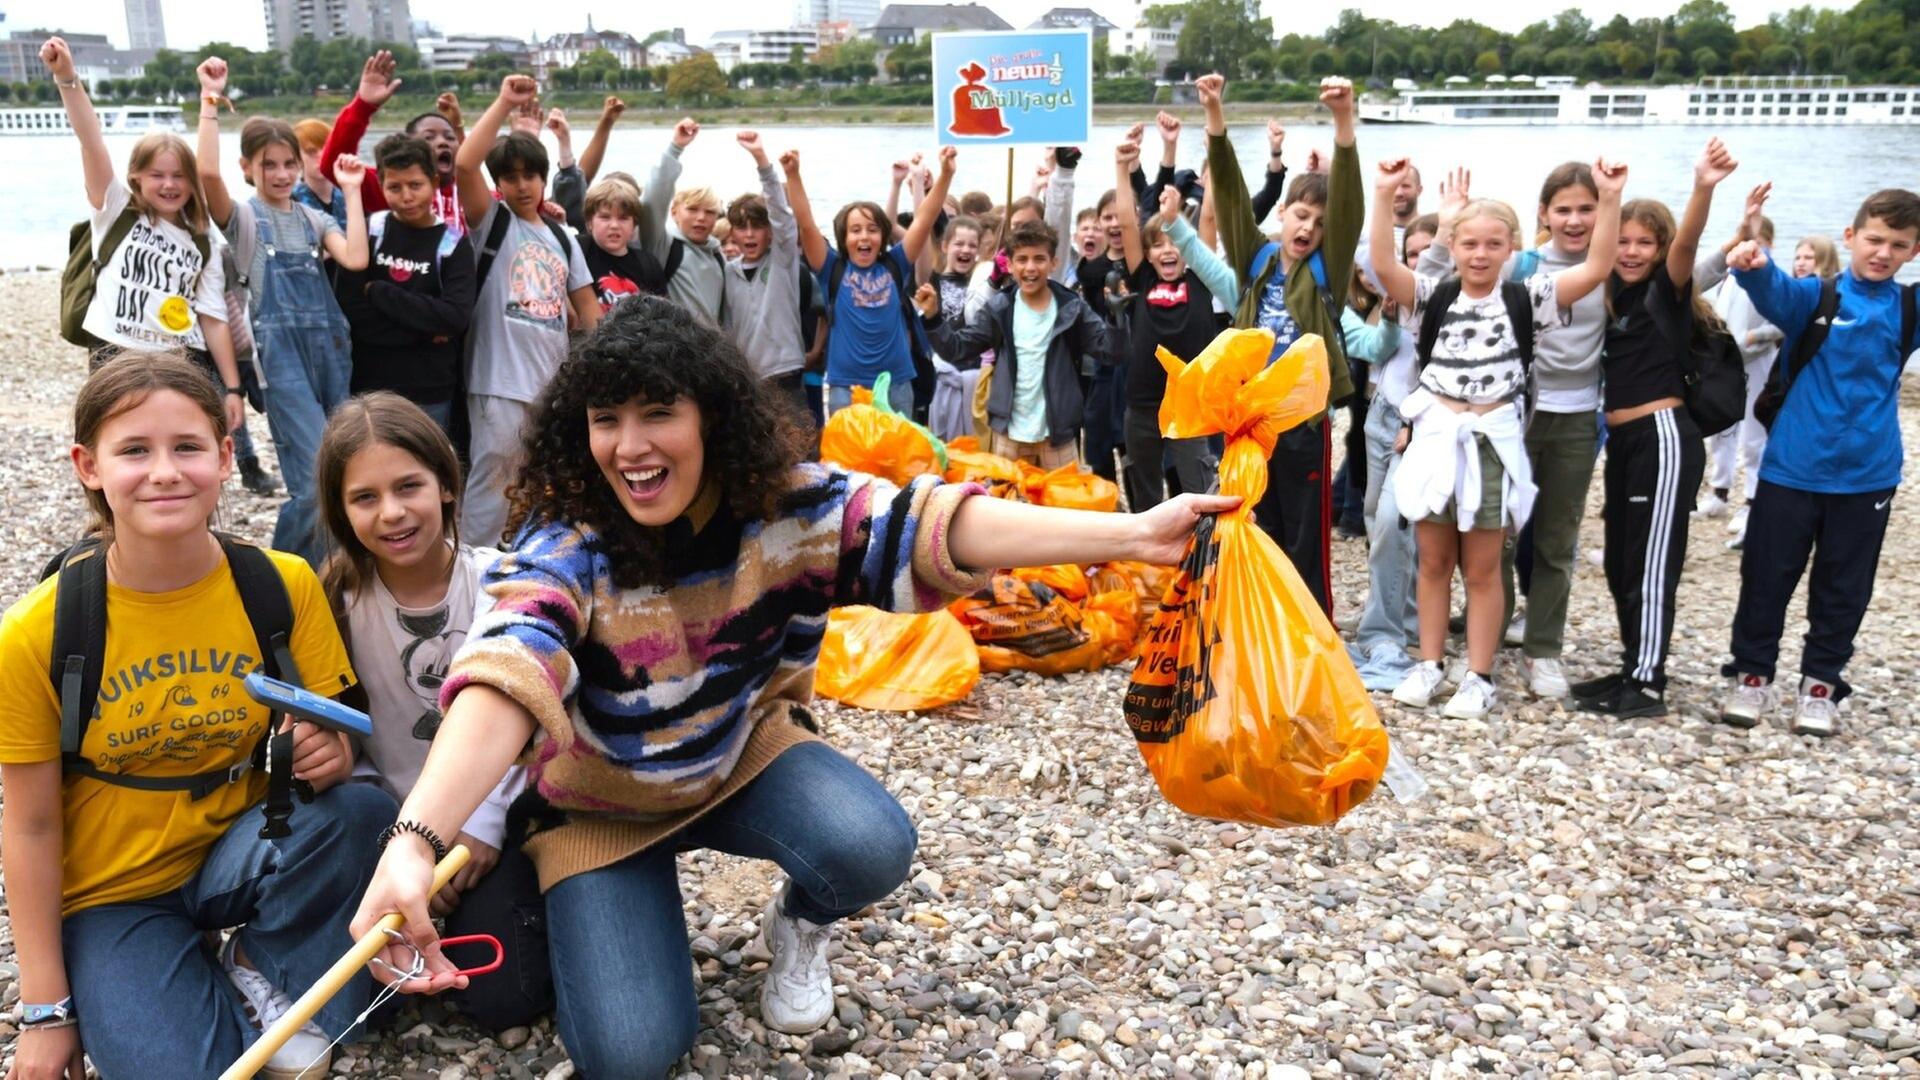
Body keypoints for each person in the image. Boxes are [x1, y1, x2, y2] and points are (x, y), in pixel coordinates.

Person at [344, 298, 1234, 1078]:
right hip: (599, 804)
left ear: (713, 415)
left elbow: (937, 524)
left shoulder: (788, 508)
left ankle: (798, 925)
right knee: (629, 1054)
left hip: (736, 755)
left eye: (659, 413)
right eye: (605, 418)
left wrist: (1132, 534)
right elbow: (508, 664)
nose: (630, 446)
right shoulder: (565, 540)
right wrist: (415, 841)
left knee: (868, 844)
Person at [0, 353, 394, 1080]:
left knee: (364, 810)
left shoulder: (282, 585)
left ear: (222, 455)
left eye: (186, 447)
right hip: (114, 895)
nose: (164, 472)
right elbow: (28, 824)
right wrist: (46, 1010)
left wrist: (328, 752)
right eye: (134, 451)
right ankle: (186, 984)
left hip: (247, 851)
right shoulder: (35, 634)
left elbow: (333, 737)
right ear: (88, 466)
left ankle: (257, 964)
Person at [312, 392, 548, 1030]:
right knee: (363, 1010)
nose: (391, 513)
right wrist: (398, 840)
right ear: (340, 510)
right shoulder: (333, 602)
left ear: (447, 483)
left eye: (409, 486)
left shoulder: (505, 582)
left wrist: (482, 825)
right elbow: (344, 740)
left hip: (489, 826)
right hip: (388, 833)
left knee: (504, 1001)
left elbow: (531, 716)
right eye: (364, 498)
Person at [1370, 157, 1625, 721]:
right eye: (1470, 244)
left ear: (1511, 247)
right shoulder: (1433, 294)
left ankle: (1480, 675)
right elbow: (1382, 264)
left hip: (1489, 440)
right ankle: (1430, 664)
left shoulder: (1527, 297)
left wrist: (1610, 198)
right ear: (1453, 246)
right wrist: (1385, 194)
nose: (1480, 255)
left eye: (1493, 245)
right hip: (1436, 437)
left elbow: (1599, 265)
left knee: (1483, 567)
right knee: (1432, 561)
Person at [1717, 188, 1920, 737]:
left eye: (1898, 245)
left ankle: (1821, 686)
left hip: (1868, 473)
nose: (1882, 252)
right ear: (1851, 238)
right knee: (1766, 578)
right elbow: (1772, 286)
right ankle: (1751, 677)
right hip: (1792, 468)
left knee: (1844, 586)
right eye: (1874, 239)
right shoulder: (1818, 297)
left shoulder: (1908, 307)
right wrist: (1753, 250)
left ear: (1913, 252)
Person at [1569, 139, 1738, 720]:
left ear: (1662, 249)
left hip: (1665, 437)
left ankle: (1648, 683)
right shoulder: (1608, 292)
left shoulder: (1667, 291)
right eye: (1622, 241)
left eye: (1645, 242)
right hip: (1625, 444)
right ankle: (1630, 666)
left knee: (1650, 563)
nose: (1632, 251)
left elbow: (1690, 242)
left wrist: (1704, 185)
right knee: (1620, 560)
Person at [197, 57, 371, 567]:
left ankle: (328, 577)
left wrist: (354, 193)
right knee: (313, 485)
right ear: (247, 167)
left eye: (288, 164)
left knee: (342, 473)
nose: (280, 174)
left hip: (332, 352)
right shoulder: (244, 220)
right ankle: (273, 576)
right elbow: (205, 172)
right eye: (268, 164)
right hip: (283, 360)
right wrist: (210, 98)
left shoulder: (314, 218)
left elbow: (356, 257)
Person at [1200, 72, 1362, 617]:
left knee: (1304, 538)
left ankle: (1311, 633)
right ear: (1281, 216)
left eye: (1318, 222)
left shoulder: (1325, 272)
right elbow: (1225, 192)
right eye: (1300, 215)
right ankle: (1254, 623)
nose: (1309, 227)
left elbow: (1348, 209)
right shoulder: (1257, 259)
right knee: (1250, 528)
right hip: (1249, 426)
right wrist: (1215, 115)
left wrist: (1344, 121)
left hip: (1301, 428)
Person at [39, 38, 248, 453]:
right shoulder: (115, 209)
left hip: (179, 356)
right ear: (136, 177)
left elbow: (212, 316)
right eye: (157, 175)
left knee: (180, 446)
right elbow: (91, 140)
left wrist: (232, 387)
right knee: (116, 446)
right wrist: (66, 78)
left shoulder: (200, 239)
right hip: (115, 350)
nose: (169, 185)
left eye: (178, 176)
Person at [455, 74, 600, 547]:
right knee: (492, 484)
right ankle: (475, 569)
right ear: (498, 183)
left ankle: (536, 564)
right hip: (497, 380)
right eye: (510, 177)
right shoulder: (492, 222)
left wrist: (596, 373)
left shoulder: (562, 236)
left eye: (531, 175)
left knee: (548, 485)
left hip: (552, 385)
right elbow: (463, 164)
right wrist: (503, 102)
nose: (522, 186)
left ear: (543, 178)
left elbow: (586, 307)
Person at [918, 218, 1123, 468]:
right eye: (1022, 259)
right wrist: (932, 317)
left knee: (1060, 507)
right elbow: (957, 348)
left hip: (1057, 435)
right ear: (1011, 266)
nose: (1030, 267)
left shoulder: (1072, 307)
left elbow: (1111, 353)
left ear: (1053, 263)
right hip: (1008, 433)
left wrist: (1116, 316)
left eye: (1039, 259)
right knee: (1007, 505)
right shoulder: (999, 307)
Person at [793, 146, 955, 417]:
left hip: (897, 385)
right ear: (844, 239)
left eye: (872, 229)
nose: (864, 237)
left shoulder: (896, 265)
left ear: (883, 236)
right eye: (855, 230)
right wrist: (793, 174)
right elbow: (807, 224)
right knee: (849, 461)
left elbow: (924, 220)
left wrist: (946, 174)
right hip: (846, 388)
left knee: (895, 459)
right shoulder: (831, 268)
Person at [1346, 214, 1438, 689]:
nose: (1421, 260)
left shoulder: (1445, 296)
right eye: (1413, 252)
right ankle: (1404, 622)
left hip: (1419, 420)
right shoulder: (1398, 295)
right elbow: (1364, 254)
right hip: (1382, 412)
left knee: (1393, 524)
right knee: (1374, 519)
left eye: (1430, 251)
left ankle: (1386, 634)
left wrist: (1451, 223)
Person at [334, 134, 476, 433]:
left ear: (434, 183)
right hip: (371, 385)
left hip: (430, 387)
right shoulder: (371, 230)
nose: (407, 196)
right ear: (382, 185)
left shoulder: (452, 244)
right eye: (395, 187)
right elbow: (351, 307)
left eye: (415, 185)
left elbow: (454, 317)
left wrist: (380, 291)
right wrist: (424, 332)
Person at [1112, 157, 1223, 508]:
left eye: (1173, 242)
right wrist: (1121, 167)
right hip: (1143, 402)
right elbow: (1128, 224)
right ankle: (1147, 557)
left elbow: (1208, 217)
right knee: (1144, 490)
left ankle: (1203, 555)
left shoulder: (1201, 278)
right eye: (1157, 245)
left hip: (1190, 404)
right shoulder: (1143, 278)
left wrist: (1214, 148)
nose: (1167, 250)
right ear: (1147, 254)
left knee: (1199, 488)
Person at [1702, 187, 1784, 550]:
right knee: (1721, 428)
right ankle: (1719, 491)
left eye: (1759, 243)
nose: (1750, 251)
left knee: (1754, 436)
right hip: (1726, 362)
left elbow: (1783, 320)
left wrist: (1756, 336)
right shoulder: (1727, 278)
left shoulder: (1773, 277)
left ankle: (1753, 501)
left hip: (1757, 361)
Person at [321, 49, 467, 238]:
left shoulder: (477, 195)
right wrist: (363, 106)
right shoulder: (394, 188)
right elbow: (334, 163)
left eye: (449, 137)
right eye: (429, 137)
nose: (442, 143)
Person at [721, 135, 809, 418]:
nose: (749, 234)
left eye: (757, 226)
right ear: (731, 232)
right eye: (742, 227)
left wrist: (763, 162)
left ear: (769, 231)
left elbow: (784, 218)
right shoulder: (727, 271)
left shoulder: (783, 260)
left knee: (800, 456)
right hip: (748, 382)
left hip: (787, 377)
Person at [639, 118, 727, 326]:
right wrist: (675, 148)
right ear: (674, 212)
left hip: (711, 352)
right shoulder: (664, 245)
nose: (701, 218)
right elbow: (653, 199)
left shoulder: (718, 256)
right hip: (675, 351)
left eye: (710, 212)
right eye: (693, 209)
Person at [926, 214, 987, 441]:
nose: (966, 250)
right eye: (959, 244)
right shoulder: (932, 283)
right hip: (943, 376)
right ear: (944, 246)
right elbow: (922, 233)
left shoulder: (982, 286)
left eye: (973, 245)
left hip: (976, 376)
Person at [578, 176, 667, 311]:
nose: (614, 225)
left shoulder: (649, 264)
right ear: (590, 222)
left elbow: (662, 314)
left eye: (623, 218)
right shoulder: (577, 252)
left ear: (634, 225)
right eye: (605, 217)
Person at [292, 118, 347, 227]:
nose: (322, 156)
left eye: (328, 149)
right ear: (297, 158)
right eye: (311, 152)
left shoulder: (353, 195)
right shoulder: (290, 202)